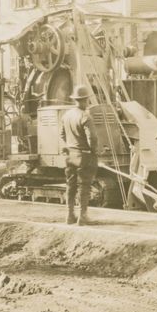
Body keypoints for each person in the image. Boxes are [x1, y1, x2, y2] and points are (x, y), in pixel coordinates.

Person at [60, 84, 96, 225]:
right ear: (85, 100)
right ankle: (83, 216)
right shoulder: (85, 116)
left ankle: (69, 215)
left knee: (71, 185)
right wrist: (93, 150)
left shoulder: (66, 115)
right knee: (84, 185)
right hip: (84, 155)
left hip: (70, 155)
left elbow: (62, 134)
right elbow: (92, 138)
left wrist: (70, 144)